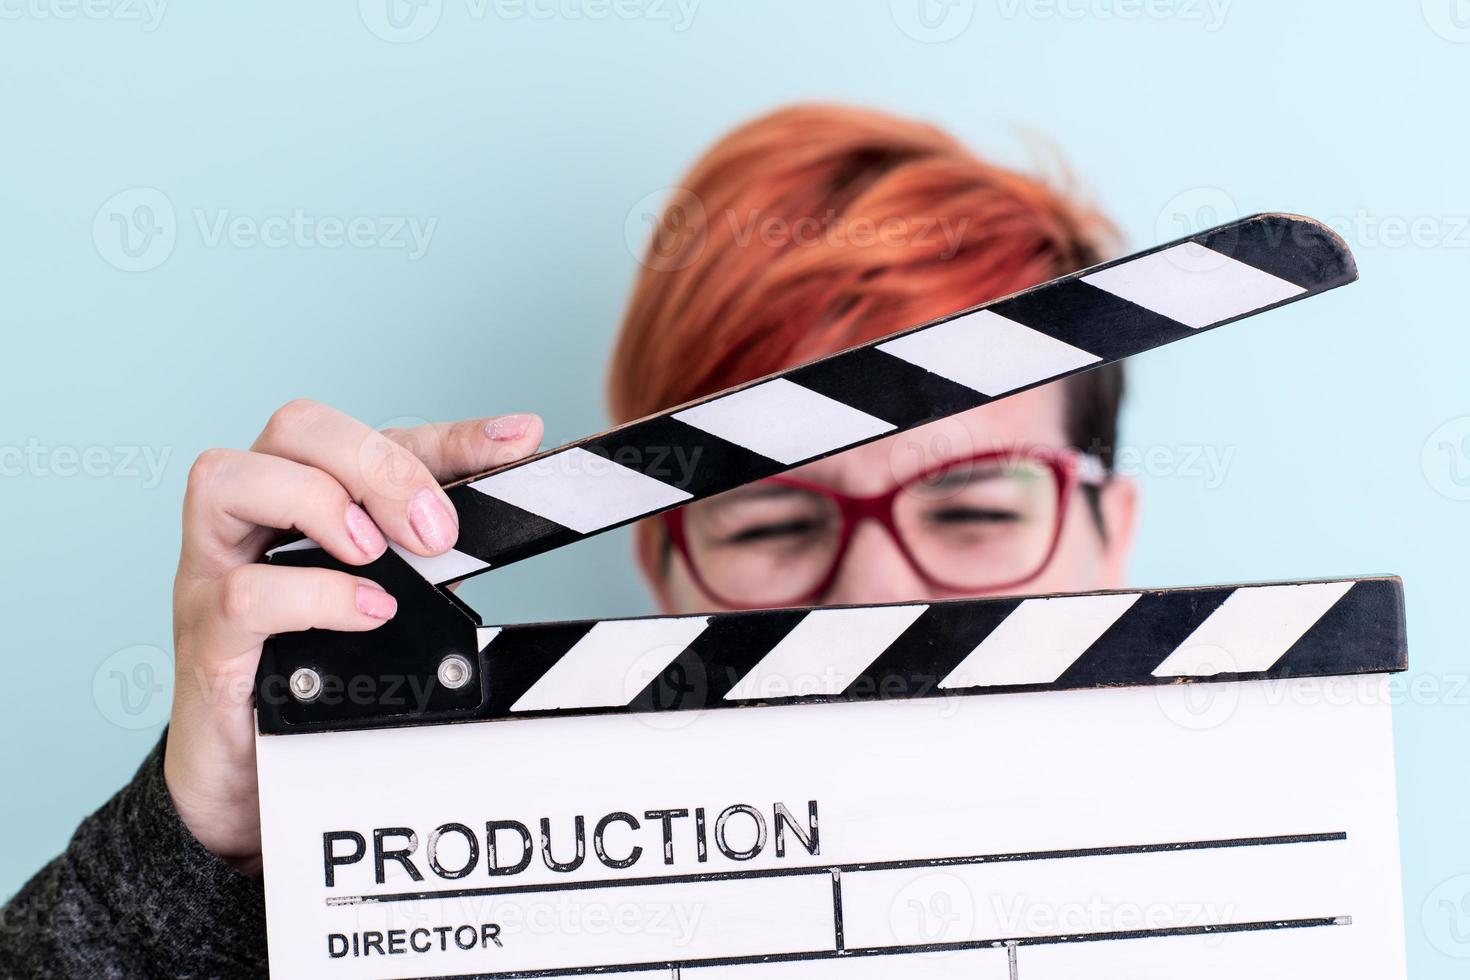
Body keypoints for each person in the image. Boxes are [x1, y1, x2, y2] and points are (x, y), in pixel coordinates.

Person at [0, 104, 1136, 977]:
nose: (875, 593)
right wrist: (200, 856)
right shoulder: (485, 899)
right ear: (660, 560)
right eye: (775, 518)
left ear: (1108, 534)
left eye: (982, 510)